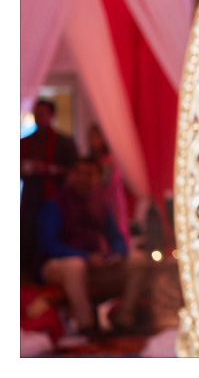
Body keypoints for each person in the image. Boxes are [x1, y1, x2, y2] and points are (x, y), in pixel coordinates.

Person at [37, 157, 151, 338]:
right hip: (59, 266)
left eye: (89, 174)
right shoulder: (56, 204)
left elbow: (115, 238)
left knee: (138, 260)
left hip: (94, 264)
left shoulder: (100, 205)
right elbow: (48, 244)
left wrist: (116, 255)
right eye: (79, 173)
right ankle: (86, 326)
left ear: (96, 178)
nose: (83, 178)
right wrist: (85, 257)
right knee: (75, 265)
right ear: (71, 175)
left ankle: (124, 319)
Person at [21, 98, 78, 282]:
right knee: (28, 238)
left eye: (42, 114)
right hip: (30, 199)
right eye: (36, 114)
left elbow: (74, 171)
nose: (39, 118)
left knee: (52, 237)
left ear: (51, 116)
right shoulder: (25, 142)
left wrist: (48, 169)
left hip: (55, 199)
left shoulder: (63, 142)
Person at [87, 123, 132, 251]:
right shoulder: (97, 161)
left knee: (116, 227)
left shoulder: (109, 161)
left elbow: (104, 182)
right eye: (91, 137)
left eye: (96, 137)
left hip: (111, 201)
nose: (93, 141)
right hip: (101, 201)